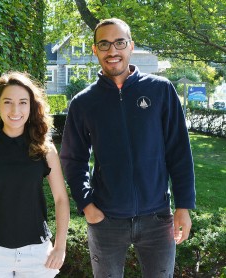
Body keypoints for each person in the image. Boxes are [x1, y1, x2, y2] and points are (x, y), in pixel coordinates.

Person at [60, 18, 195, 277]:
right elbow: (72, 158)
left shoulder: (161, 91)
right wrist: (87, 205)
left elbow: (179, 151)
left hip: (157, 218)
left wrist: (183, 206)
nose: (112, 51)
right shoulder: (84, 102)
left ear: (130, 46)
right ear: (95, 50)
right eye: (104, 44)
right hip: (106, 220)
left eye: (119, 42)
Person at [0, 71, 70, 278]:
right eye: (8, 102)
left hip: (37, 254)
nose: (15, 109)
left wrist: (60, 246)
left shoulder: (45, 148)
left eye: (23, 102)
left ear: (31, 106)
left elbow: (61, 199)